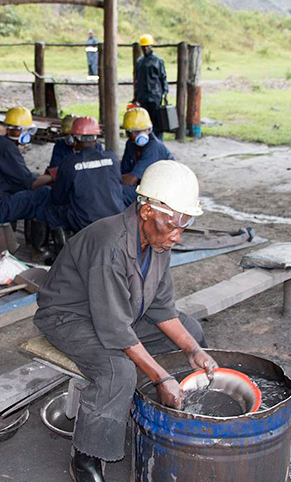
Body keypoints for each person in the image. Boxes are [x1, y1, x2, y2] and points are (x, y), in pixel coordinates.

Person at [34, 160, 215, 482]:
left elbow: (161, 308)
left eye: (184, 224)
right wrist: (160, 376)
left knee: (192, 330)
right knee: (117, 370)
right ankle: (86, 458)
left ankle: (162, 406)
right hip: (69, 317)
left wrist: (192, 349)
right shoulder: (110, 243)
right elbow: (115, 329)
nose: (177, 236)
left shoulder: (158, 241)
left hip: (118, 311)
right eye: (174, 223)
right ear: (147, 211)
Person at [0, 106, 52, 225]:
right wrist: (54, 175)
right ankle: (40, 235)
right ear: (18, 130)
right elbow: (30, 182)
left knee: (31, 193)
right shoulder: (7, 149)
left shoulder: (2, 144)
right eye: (26, 130)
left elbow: (21, 177)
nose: (28, 134)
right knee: (45, 192)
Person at [45, 116, 124, 235]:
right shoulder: (112, 158)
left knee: (50, 209)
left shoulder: (69, 163)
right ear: (96, 139)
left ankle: (64, 244)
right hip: (116, 218)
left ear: (74, 140)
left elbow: (58, 198)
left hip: (85, 221)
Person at [120, 107, 174, 207]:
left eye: (144, 130)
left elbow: (131, 180)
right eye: (136, 132)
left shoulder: (153, 147)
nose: (141, 135)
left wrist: (110, 180)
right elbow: (124, 171)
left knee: (119, 192)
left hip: (162, 193)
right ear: (127, 133)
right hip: (146, 186)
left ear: (149, 130)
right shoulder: (130, 144)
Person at [134, 33, 169, 134]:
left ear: (151, 46)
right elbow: (137, 80)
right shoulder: (139, 62)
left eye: (147, 46)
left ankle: (157, 139)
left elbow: (163, 77)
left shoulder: (158, 61)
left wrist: (165, 92)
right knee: (144, 121)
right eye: (143, 46)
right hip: (143, 96)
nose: (145, 48)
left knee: (157, 121)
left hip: (155, 95)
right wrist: (136, 96)